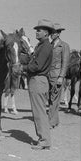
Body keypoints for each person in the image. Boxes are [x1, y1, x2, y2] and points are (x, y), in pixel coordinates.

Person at [25, 19, 54, 150]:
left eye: (39, 30)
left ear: (46, 33)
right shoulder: (42, 46)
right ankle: (43, 139)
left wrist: (23, 68)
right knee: (39, 111)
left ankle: (44, 140)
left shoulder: (45, 46)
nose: (36, 32)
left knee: (39, 112)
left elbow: (37, 66)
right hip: (38, 81)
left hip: (38, 80)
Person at [48, 23, 71, 128]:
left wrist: (61, 77)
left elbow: (65, 62)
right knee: (50, 99)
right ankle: (55, 120)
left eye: (53, 32)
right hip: (48, 75)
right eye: (51, 32)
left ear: (58, 33)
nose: (51, 34)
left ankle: (51, 122)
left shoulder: (64, 46)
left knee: (55, 99)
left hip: (57, 76)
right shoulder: (49, 45)